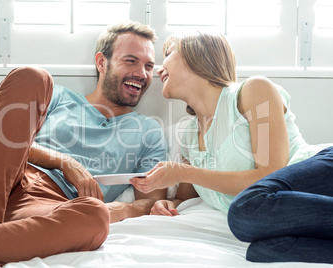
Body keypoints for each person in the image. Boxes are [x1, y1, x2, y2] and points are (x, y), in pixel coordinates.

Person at [0, 21, 167, 267]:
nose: (141, 73)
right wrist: (63, 161)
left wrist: (124, 209)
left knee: (95, 216)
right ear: (101, 62)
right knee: (33, 76)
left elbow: (151, 199)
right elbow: (3, 140)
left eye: (149, 66)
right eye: (131, 61)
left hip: (43, 207)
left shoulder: (149, 131)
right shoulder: (58, 97)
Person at [129, 31, 333, 263]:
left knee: (243, 212)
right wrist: (167, 204)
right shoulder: (188, 134)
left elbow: (269, 176)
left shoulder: (252, 91)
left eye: (168, 54)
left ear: (196, 55)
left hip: (322, 178)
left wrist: (183, 171)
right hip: (277, 216)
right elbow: (187, 197)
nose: (158, 69)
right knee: (259, 251)